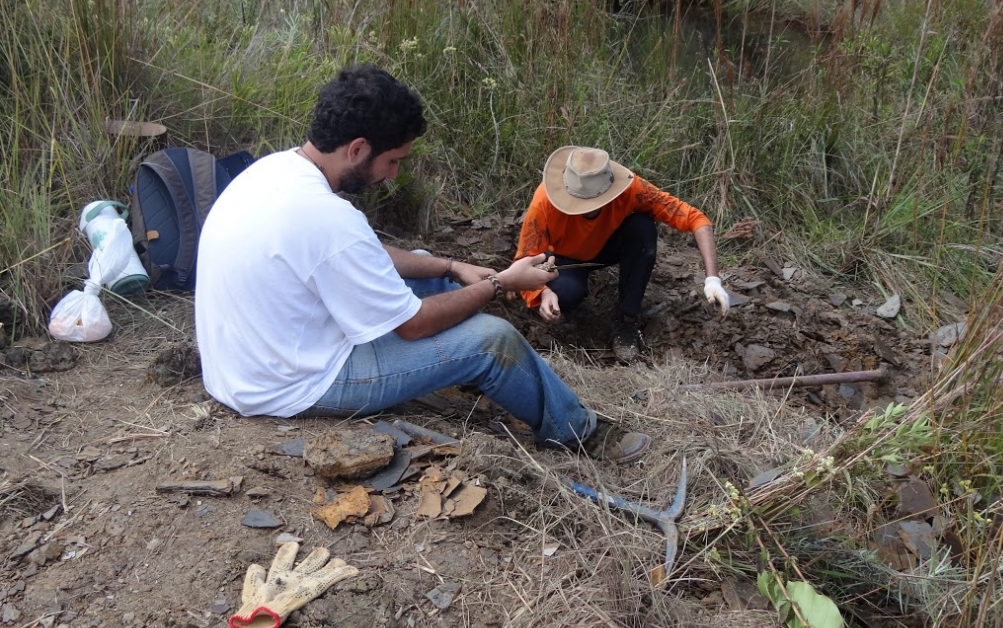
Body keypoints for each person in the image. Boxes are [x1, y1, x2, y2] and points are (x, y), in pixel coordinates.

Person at [194, 65, 649, 463]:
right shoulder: (325, 216)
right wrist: (500, 283)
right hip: (291, 384)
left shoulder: (275, 173)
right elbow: (411, 325)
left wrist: (450, 267)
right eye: (392, 161)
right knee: (492, 342)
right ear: (357, 149)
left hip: (246, 366)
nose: (393, 174)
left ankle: (481, 377)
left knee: (427, 265)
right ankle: (576, 432)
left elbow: (358, 256)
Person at [515, 146, 729, 363]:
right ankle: (568, 319)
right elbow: (524, 259)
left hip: (608, 245)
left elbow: (696, 219)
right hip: (565, 259)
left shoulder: (631, 188)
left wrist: (712, 279)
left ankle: (627, 321)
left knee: (642, 229)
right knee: (567, 293)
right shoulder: (544, 202)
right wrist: (542, 293)